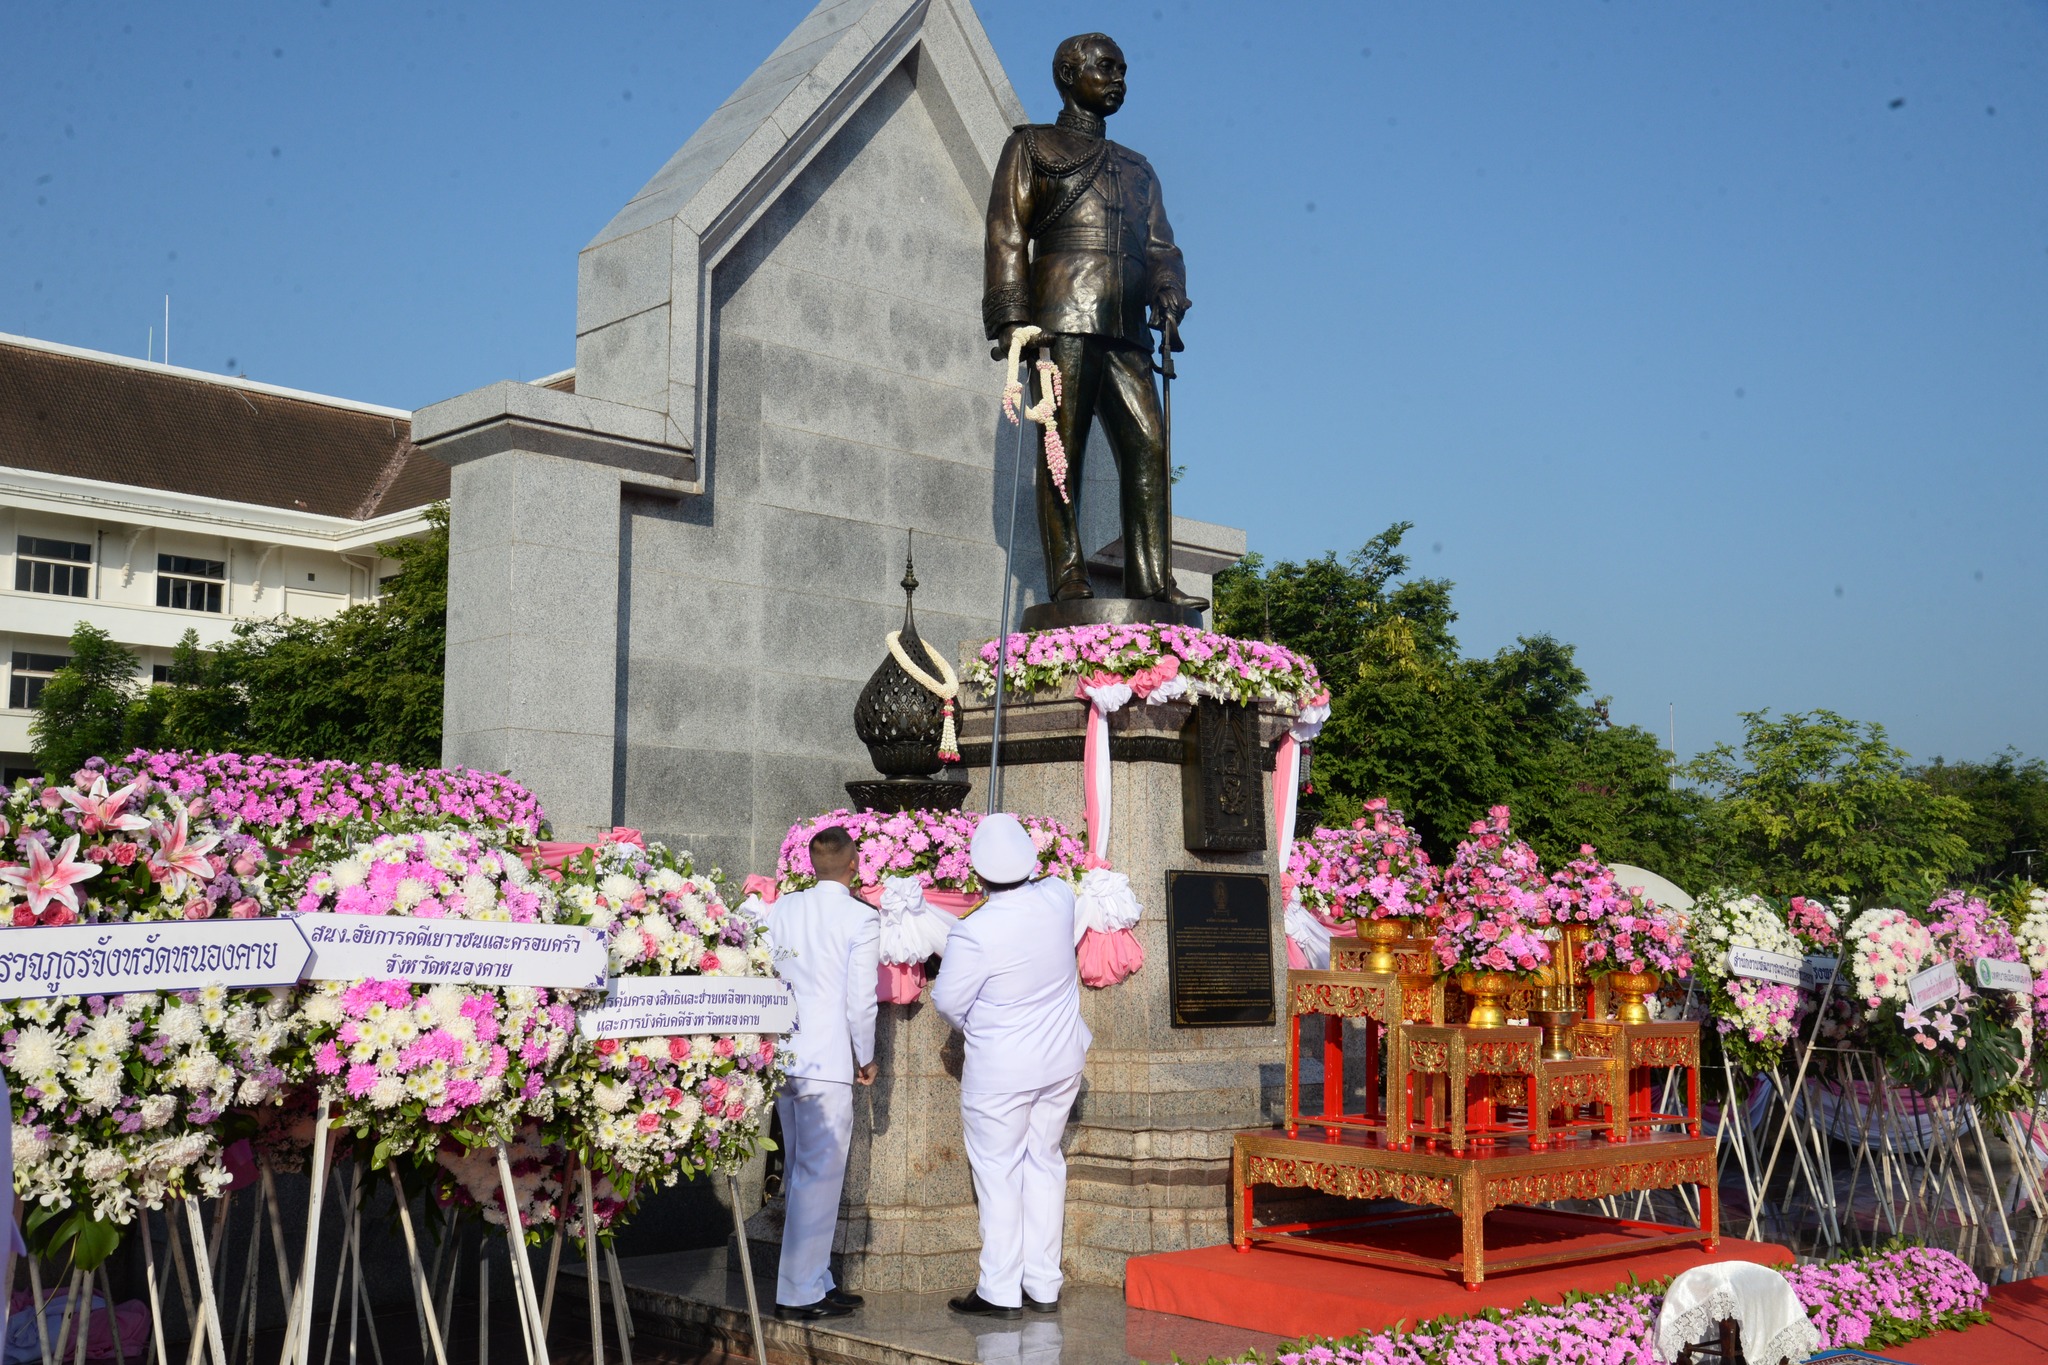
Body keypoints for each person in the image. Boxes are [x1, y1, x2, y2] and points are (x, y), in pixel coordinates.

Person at [981, 32, 1204, 611]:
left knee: (1149, 447)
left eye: (1123, 69)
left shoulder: (1137, 168)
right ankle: (1068, 576)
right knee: (1063, 450)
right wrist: (1012, 321)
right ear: (1066, 73)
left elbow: (1161, 248)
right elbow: (1007, 233)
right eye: (1105, 67)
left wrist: (1168, 292)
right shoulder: (1031, 146)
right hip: (1061, 322)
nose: (1117, 79)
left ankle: (1151, 580)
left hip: (1127, 331)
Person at [932, 814, 1092, 1319]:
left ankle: (1000, 1288)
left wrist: (987, 1026)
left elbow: (948, 1003)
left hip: (1002, 1070)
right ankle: (1043, 1283)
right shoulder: (1059, 897)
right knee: (1045, 1162)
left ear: (978, 874)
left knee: (998, 1172)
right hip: (1061, 1060)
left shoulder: (974, 930)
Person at [765, 826, 881, 1321]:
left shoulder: (784, 908)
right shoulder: (861, 917)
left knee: (799, 1172)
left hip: (785, 1055)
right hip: (828, 1059)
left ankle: (817, 1279)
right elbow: (861, 1000)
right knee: (818, 1178)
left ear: (813, 866)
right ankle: (798, 1292)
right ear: (854, 864)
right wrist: (866, 1055)